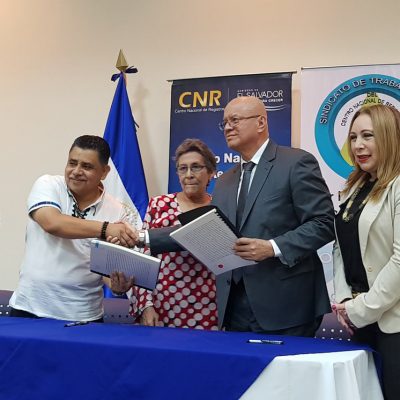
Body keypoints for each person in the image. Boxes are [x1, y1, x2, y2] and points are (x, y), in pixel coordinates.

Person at [146, 96, 334, 336]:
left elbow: (323, 223)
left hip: (287, 306)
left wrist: (272, 247)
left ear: (261, 122)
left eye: (234, 120)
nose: (227, 127)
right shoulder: (225, 180)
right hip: (234, 307)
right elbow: (204, 230)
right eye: (224, 123)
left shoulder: (295, 162)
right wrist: (143, 238)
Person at [9, 135, 139, 322]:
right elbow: (52, 223)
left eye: (87, 166)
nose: (76, 171)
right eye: (72, 163)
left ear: (104, 172)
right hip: (29, 309)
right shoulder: (48, 185)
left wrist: (117, 284)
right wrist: (105, 228)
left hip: (83, 317)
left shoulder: (119, 212)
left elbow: (107, 272)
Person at [331, 104, 400, 400]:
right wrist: (346, 301)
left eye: (368, 136)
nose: (358, 145)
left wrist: (361, 309)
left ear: (390, 137)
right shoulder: (355, 187)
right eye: (353, 137)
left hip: (392, 323)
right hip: (361, 321)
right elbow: (340, 248)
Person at [131, 139, 218, 330]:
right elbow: (142, 258)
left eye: (196, 167)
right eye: (182, 168)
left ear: (211, 172)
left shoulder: (220, 208)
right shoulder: (159, 205)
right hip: (161, 306)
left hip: (209, 308)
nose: (189, 174)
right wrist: (146, 305)